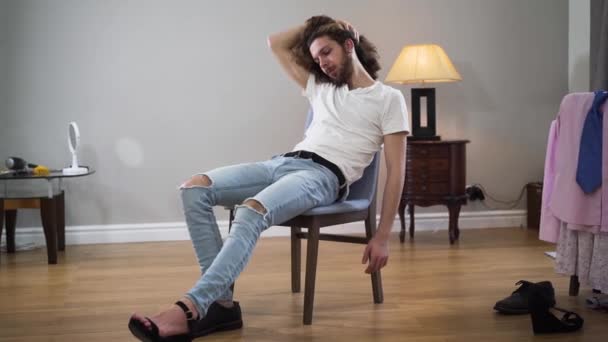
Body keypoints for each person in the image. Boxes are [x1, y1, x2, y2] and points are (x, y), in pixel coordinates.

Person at [128, 15, 409, 341]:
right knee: (194, 189)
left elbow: (396, 171)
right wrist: (322, 22)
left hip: (323, 177)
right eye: (316, 57)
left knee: (251, 210)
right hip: (283, 164)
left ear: (349, 46)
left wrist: (384, 235)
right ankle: (221, 304)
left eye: (327, 52)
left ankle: (190, 307)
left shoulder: (388, 99)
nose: (322, 63)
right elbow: (275, 43)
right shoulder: (319, 87)